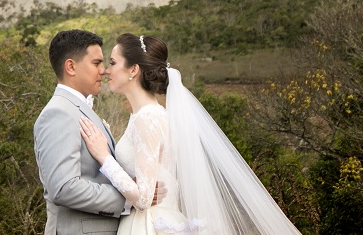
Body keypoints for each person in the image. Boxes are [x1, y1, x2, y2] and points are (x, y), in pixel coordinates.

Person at [79, 33, 302, 235]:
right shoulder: (143, 116)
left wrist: (104, 157)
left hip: (150, 225)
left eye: (112, 63)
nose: (106, 70)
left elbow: (144, 198)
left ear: (134, 70)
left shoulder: (149, 118)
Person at [33, 29, 129, 235]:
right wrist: (128, 196)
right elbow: (64, 188)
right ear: (71, 66)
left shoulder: (76, 109)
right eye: (96, 63)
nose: (103, 70)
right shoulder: (58, 113)